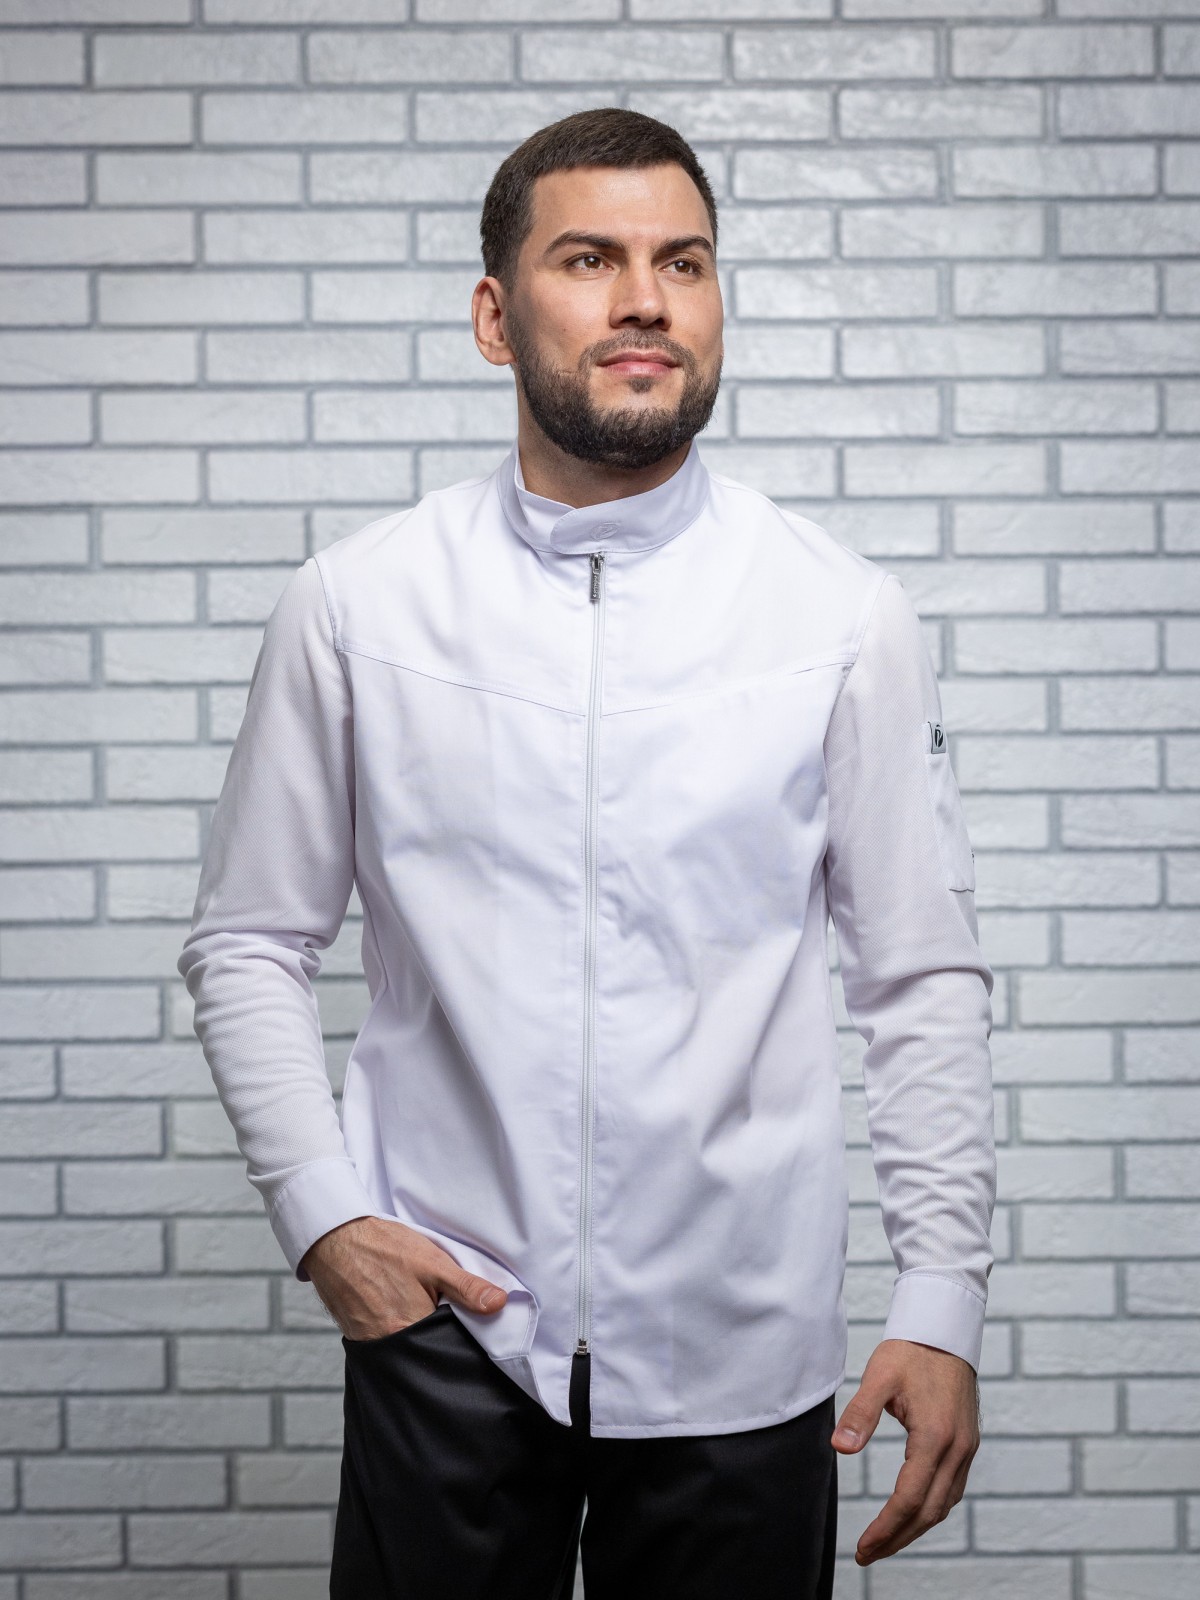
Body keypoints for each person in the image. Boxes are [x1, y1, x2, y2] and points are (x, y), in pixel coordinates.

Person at [177, 106, 995, 1600]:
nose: (645, 300)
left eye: (683, 262)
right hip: (448, 1333)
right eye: (590, 259)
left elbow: (918, 976)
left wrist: (940, 1298)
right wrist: (325, 1217)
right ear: (497, 317)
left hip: (743, 1351)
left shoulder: (838, 613)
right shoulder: (358, 605)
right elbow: (250, 937)